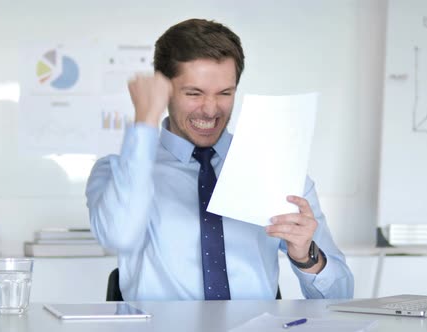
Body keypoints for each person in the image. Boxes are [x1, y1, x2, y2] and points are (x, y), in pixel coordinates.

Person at [86, 18, 354, 301]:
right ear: (163, 90)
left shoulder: (277, 173)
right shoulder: (117, 172)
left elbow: (341, 295)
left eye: (225, 93)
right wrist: (144, 123)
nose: (211, 110)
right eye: (194, 93)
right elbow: (119, 235)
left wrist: (307, 257)